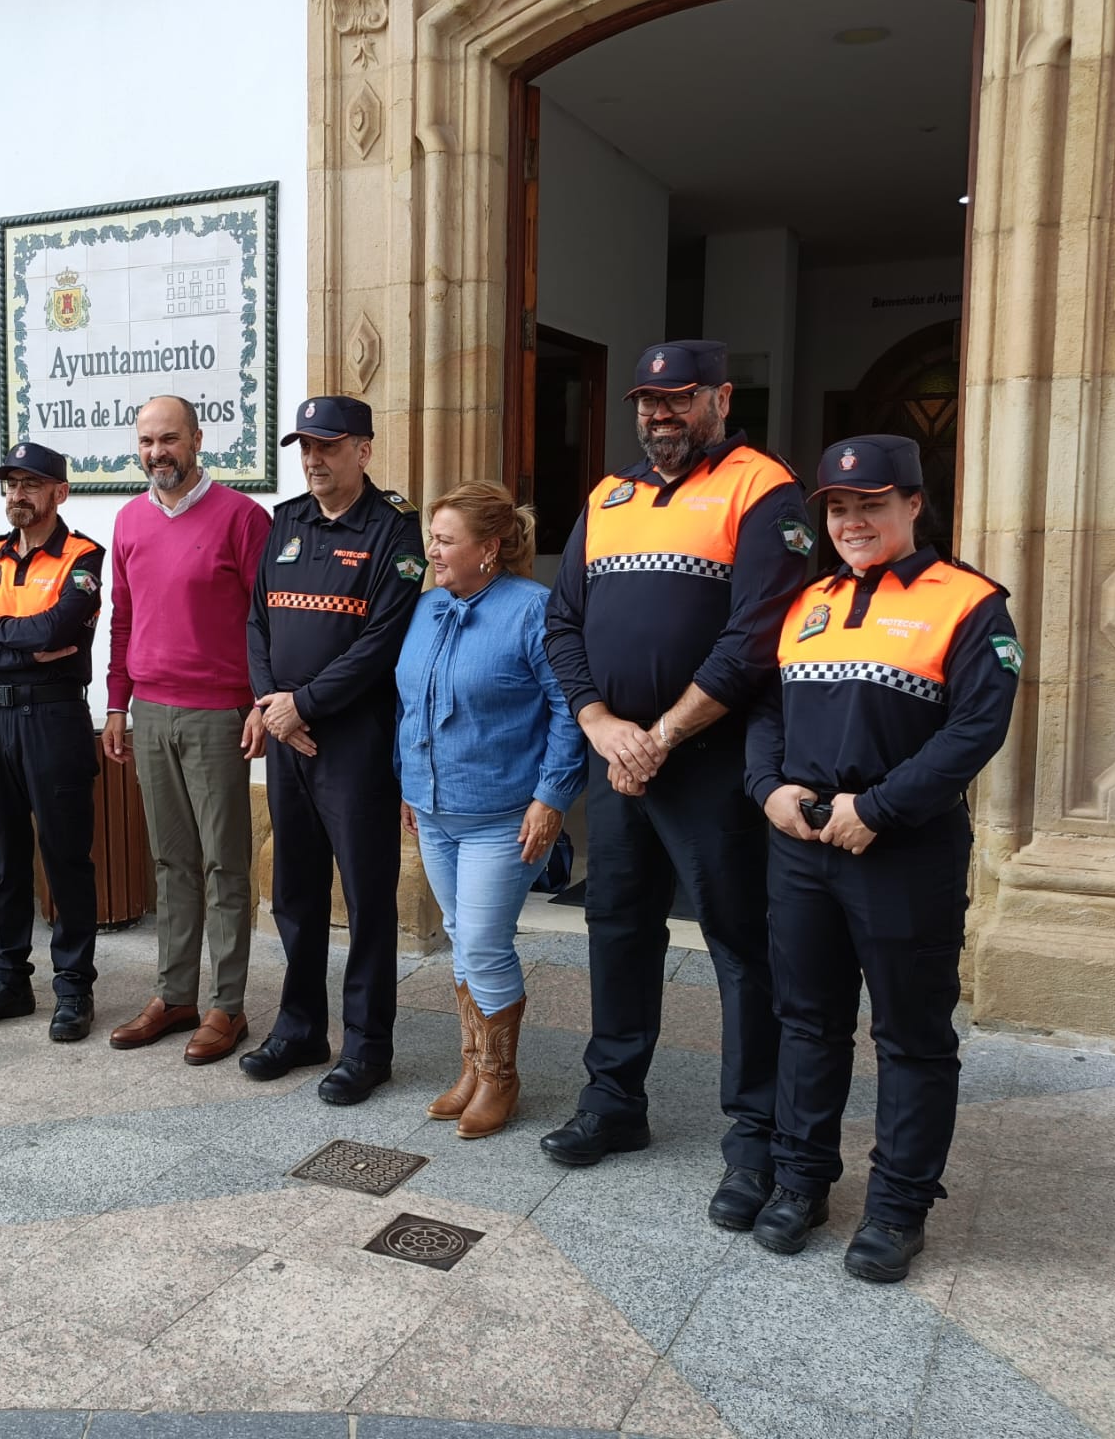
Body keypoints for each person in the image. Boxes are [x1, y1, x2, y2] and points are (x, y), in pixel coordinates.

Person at [541, 339, 813, 1233]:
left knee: (741, 945)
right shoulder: (607, 496)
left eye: (679, 399)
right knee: (617, 928)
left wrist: (661, 734)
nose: (659, 415)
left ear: (721, 399)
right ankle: (615, 1100)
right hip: (618, 759)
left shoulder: (761, 489)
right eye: (647, 402)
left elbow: (756, 638)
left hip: (711, 763)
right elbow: (563, 620)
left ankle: (755, 1138)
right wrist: (600, 725)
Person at [744, 433, 1019, 1282]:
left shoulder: (969, 602)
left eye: (871, 505)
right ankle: (800, 1183)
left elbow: (979, 727)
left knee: (911, 1037)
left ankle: (899, 1208)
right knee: (806, 1021)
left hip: (904, 852)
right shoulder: (806, 600)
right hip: (803, 845)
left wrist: (882, 809)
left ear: (912, 506)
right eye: (837, 507)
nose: (852, 521)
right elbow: (767, 709)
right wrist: (768, 789)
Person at [241, 396, 425, 1105]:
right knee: (295, 891)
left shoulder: (394, 532)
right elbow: (256, 621)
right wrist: (272, 706)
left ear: (364, 451)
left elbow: (382, 643)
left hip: (354, 742)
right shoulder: (286, 522)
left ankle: (367, 1046)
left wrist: (302, 705)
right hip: (290, 740)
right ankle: (299, 1027)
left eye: (328, 446)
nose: (313, 460)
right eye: (304, 448)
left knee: (369, 897)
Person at [395, 481, 584, 1138]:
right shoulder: (427, 610)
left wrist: (551, 798)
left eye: (446, 540)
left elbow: (567, 708)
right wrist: (408, 783)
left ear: (491, 548)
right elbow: (408, 704)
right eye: (432, 538)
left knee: (481, 939)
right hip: (435, 809)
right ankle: (473, 1066)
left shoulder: (534, 610)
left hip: (504, 814)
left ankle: (501, 1078)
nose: (432, 551)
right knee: (458, 936)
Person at [103, 397, 273, 1065]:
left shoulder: (242, 518)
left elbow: (265, 623)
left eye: (168, 439)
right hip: (150, 711)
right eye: (145, 441)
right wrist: (117, 703)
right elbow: (122, 619)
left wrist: (262, 701)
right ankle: (175, 995)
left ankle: (226, 1006)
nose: (156, 453)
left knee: (223, 861)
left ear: (198, 440)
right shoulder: (128, 520)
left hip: (218, 715)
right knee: (170, 861)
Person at [0, 441, 107, 1042]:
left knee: (65, 856)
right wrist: (17, 643)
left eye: (31, 484)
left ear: (58, 492)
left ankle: (73, 988)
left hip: (51, 716)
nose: (18, 495)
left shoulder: (84, 556)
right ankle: (9, 978)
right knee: (1, 855)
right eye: (11, 484)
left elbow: (60, 626)